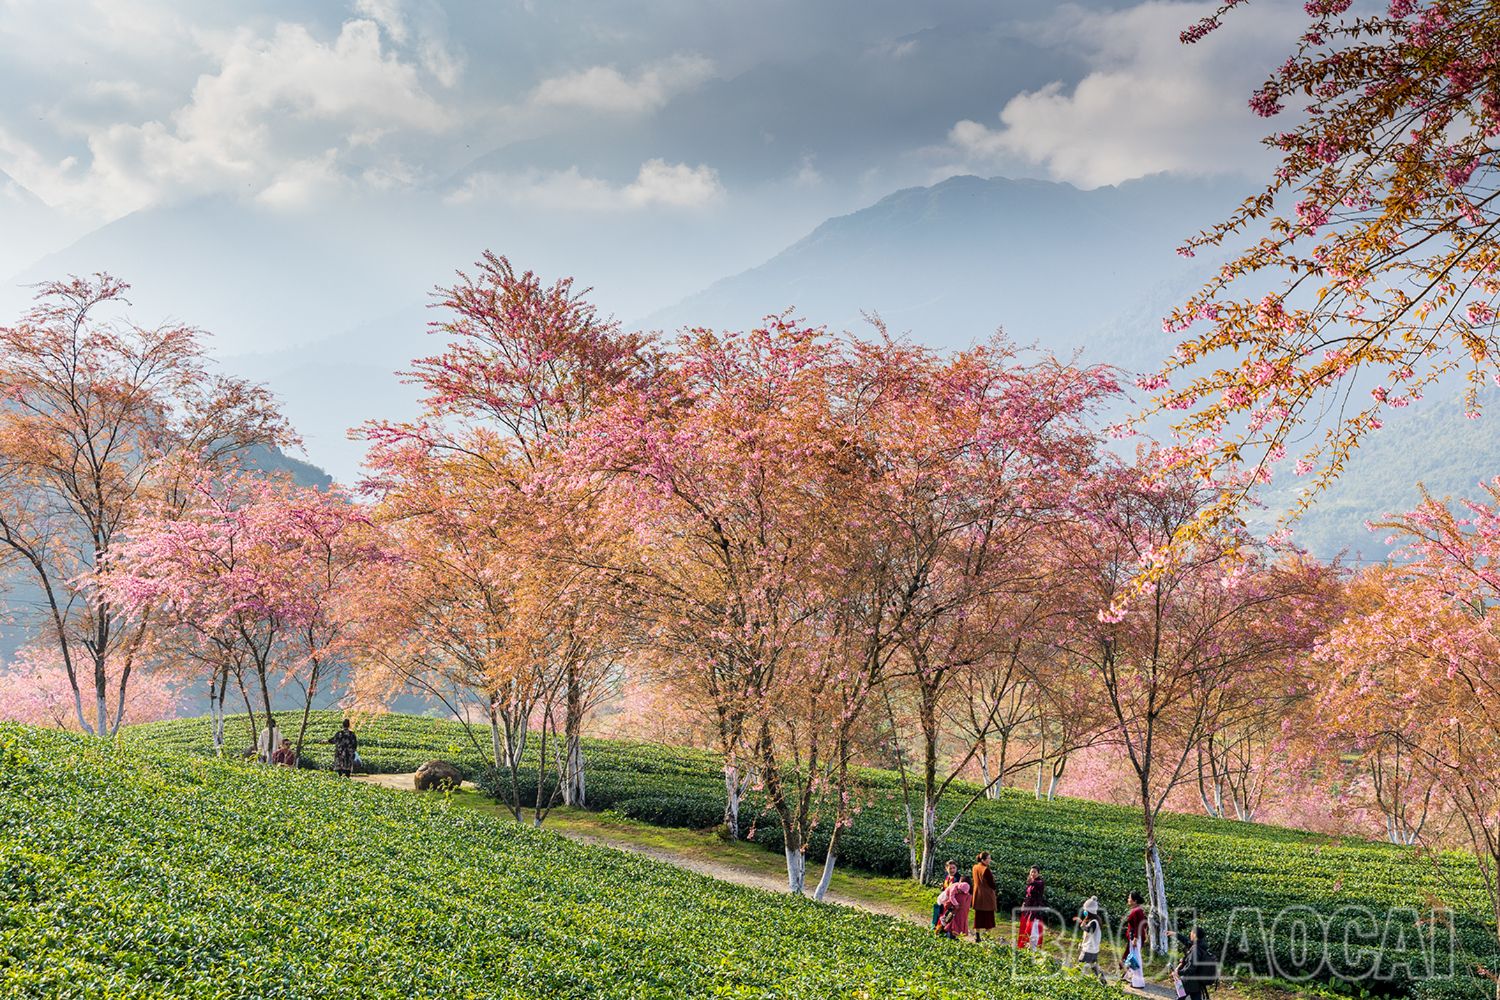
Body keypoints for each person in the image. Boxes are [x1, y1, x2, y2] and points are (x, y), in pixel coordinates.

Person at [1174, 927, 1217, 1000]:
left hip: (1187, 982)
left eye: (1191, 932)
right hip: (1197, 983)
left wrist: (1178, 972)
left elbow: (1191, 968)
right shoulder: (1202, 946)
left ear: (1194, 935)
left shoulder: (1195, 949)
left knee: (1179, 998)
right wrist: (1175, 934)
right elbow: (1187, 941)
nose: (1190, 934)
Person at [1073, 895, 1105, 984]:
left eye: (1085, 910)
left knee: (1080, 965)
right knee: (1094, 967)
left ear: (1089, 911)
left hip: (1089, 949)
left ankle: (1074, 981)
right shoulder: (1095, 920)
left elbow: (1089, 930)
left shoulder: (1094, 922)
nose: (1084, 912)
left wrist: (1081, 923)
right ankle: (1103, 982)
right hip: (1093, 949)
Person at [1121, 890, 1148, 989]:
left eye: (1129, 898)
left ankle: (1138, 982)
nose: (1128, 899)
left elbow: (1139, 926)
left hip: (1135, 938)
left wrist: (1136, 938)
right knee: (1132, 958)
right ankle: (1129, 976)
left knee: (1136, 959)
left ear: (1135, 900)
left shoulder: (1137, 911)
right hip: (1134, 937)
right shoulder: (1137, 910)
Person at [1017, 864, 1046, 949]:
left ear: (1038, 873)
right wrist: (1023, 904)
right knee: (1025, 927)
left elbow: (1037, 884)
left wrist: (1031, 880)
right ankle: (1024, 945)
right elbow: (1027, 895)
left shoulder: (1040, 882)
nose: (1033, 873)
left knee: (1033, 928)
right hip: (1028, 908)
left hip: (1035, 909)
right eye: (1031, 872)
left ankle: (1034, 947)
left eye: (1034, 872)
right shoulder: (1031, 883)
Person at [971, 851, 998, 942]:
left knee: (978, 917)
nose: (990, 860)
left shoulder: (975, 867)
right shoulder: (986, 870)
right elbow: (992, 884)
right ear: (984, 860)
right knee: (989, 920)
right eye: (989, 858)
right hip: (987, 897)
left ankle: (977, 935)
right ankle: (986, 937)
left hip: (978, 895)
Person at [932, 859, 960, 929]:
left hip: (951, 902)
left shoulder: (958, 878)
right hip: (944, 900)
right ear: (946, 868)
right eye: (950, 868)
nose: (952, 870)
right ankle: (936, 927)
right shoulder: (947, 877)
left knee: (946, 918)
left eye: (954, 868)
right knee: (939, 912)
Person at [943, 875, 972, 940]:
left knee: (951, 929)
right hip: (963, 916)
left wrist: (948, 905)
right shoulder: (969, 895)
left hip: (955, 915)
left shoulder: (958, 894)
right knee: (957, 931)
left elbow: (949, 903)